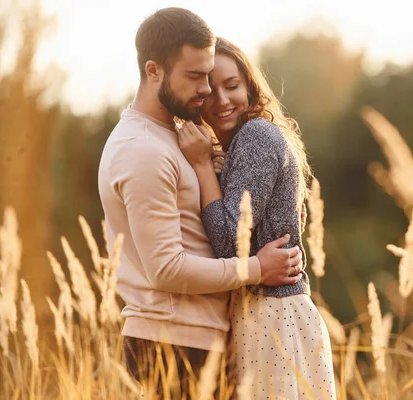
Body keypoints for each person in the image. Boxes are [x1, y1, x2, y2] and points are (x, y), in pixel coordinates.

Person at [97, 8, 304, 397]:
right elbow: (166, 269)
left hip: (197, 339)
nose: (207, 90)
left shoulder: (175, 137)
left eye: (206, 75)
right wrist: (256, 268)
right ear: (153, 70)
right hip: (170, 342)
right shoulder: (142, 149)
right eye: (195, 77)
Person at [176, 37, 336, 399]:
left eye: (231, 86)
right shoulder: (242, 145)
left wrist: (201, 166)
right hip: (268, 314)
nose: (221, 100)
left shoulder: (256, 136)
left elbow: (233, 242)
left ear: (249, 85)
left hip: (271, 315)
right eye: (208, 92)